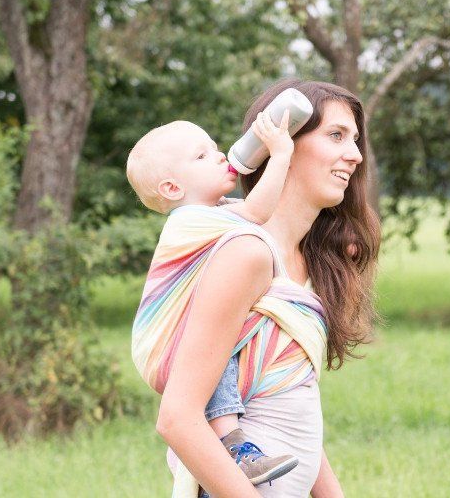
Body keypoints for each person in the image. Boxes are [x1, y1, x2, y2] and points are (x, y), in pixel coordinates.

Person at [155, 78, 380, 497]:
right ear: (283, 142)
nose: (355, 154)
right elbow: (178, 418)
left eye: (354, 139)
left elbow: (289, 410)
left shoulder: (305, 264)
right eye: (336, 135)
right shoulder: (246, 254)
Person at [126, 111, 302, 486]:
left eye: (215, 147)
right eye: (202, 156)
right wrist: (281, 154)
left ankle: (225, 448)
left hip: (170, 340)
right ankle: (233, 446)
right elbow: (258, 211)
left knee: (218, 351)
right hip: (162, 341)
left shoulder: (213, 213)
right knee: (214, 355)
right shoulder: (189, 219)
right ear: (172, 188)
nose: (220, 155)